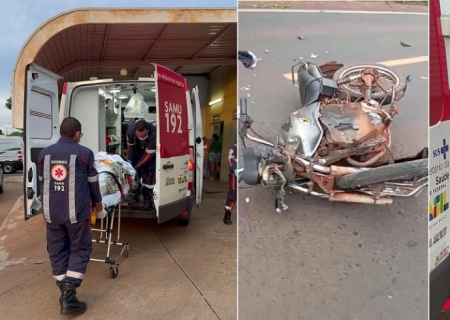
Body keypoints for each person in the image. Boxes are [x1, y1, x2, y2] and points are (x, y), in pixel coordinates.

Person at [37, 117, 105, 315]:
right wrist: (99, 207)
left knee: (57, 249)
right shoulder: (84, 154)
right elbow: (93, 183)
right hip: (76, 214)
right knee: (80, 247)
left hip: (51, 214)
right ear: (77, 134)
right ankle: (69, 294)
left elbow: (43, 183)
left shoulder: (44, 154)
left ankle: (64, 289)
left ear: (61, 133)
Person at [126, 119, 157, 209]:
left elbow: (148, 155)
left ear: (147, 129)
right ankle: (134, 191)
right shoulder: (130, 131)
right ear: (135, 131)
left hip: (150, 152)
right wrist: (130, 162)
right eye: (140, 136)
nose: (142, 138)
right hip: (137, 150)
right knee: (133, 169)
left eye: (144, 136)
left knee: (148, 171)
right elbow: (130, 148)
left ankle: (147, 197)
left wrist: (138, 166)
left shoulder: (154, 132)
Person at [224, 142, 238, 225]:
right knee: (233, 195)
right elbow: (230, 159)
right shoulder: (234, 147)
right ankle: (227, 214)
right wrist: (234, 169)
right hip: (235, 174)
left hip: (246, 172)